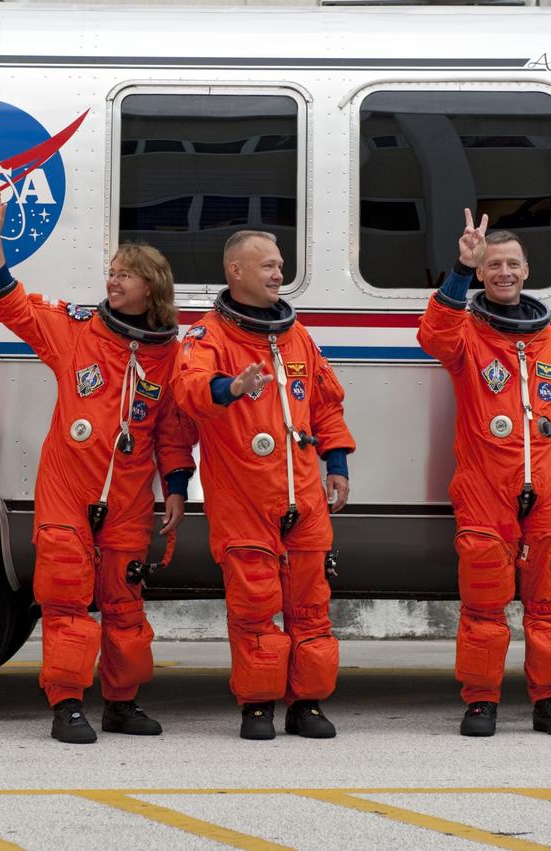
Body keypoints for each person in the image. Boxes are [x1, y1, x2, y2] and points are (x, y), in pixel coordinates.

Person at [0, 185, 197, 744]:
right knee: (67, 597)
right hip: (68, 491)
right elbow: (13, 308)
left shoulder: (171, 355)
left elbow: (173, 431)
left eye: (125, 274)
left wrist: (176, 486)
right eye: (112, 272)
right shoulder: (77, 333)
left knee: (124, 602)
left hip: (127, 497)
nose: (113, 281)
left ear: (151, 287)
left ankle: (121, 703)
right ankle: (68, 705)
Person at [417, 210, 551, 738]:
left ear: (527, 270)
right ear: (482, 272)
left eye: (512, 264)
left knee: (548, 602)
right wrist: (460, 266)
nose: (504, 272)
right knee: (483, 600)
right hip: (485, 486)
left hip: (548, 487)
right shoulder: (466, 335)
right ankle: (481, 702)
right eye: (493, 264)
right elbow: (433, 334)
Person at [171, 230, 355, 740]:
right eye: (269, 266)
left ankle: (307, 704)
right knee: (253, 607)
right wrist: (232, 386)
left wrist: (337, 464)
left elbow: (325, 403)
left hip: (304, 495)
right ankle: (257, 707)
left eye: (280, 265)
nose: (280, 274)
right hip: (243, 497)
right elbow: (188, 390)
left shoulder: (297, 336)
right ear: (236, 271)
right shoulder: (207, 336)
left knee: (310, 606)